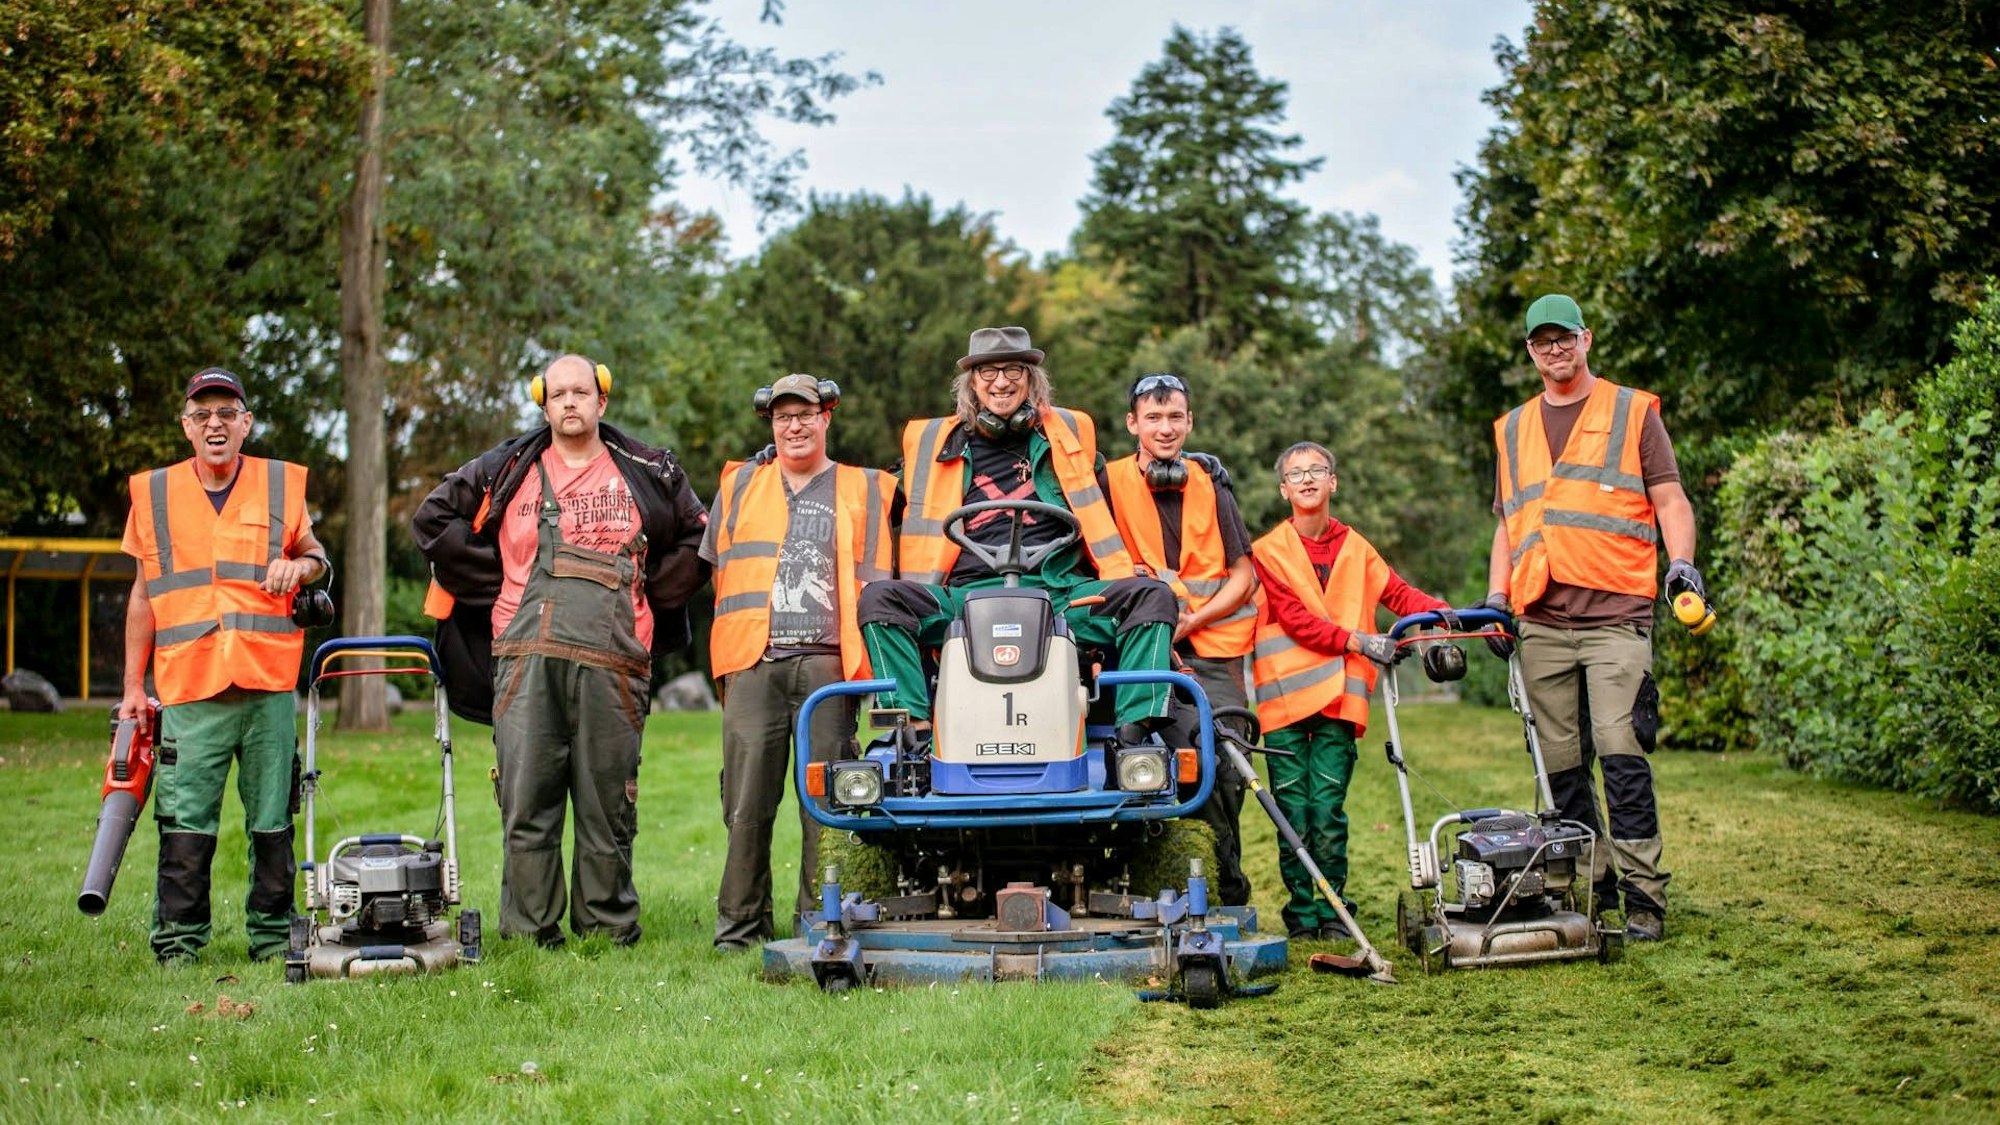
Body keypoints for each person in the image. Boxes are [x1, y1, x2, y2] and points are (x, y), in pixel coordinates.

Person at [412, 354, 708, 948]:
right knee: (527, 801)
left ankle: (606, 927)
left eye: (580, 392)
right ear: (542, 404)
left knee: (607, 807)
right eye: (558, 395)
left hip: (616, 663)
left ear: (602, 400)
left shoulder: (648, 469)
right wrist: (494, 585)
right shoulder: (508, 468)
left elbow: (700, 537)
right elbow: (432, 520)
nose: (569, 403)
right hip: (524, 659)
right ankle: (528, 932)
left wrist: (648, 595)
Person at [1487, 294, 1699, 943]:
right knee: (1559, 765)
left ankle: (1644, 894)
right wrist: (1497, 599)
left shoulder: (1631, 411)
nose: (1554, 349)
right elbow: (1508, 522)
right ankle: (1591, 882)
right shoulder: (1513, 427)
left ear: (1586, 339)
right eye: (1541, 340)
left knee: (1621, 748)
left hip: (1616, 614)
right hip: (1543, 617)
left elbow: (1669, 498)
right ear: (1530, 351)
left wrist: (1682, 564)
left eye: (1564, 337)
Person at [858, 326, 1179, 746]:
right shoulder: (934, 447)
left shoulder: (1069, 438)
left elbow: (1123, 481)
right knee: (880, 600)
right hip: (963, 601)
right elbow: (873, 496)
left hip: (1061, 596)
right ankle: (913, 731)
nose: (1002, 382)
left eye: (1014, 370)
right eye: (988, 372)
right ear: (972, 384)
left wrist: (1180, 459)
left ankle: (1135, 738)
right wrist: (786, 466)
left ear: (1031, 380)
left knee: (1152, 596)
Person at [119, 367, 330, 966]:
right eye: (203, 414)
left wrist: (303, 568)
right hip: (190, 685)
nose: (215, 423)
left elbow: (316, 556)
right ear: (187, 426)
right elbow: (142, 595)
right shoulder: (153, 493)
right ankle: (179, 944)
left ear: (246, 424)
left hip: (266, 684)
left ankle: (271, 938)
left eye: (227, 413)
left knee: (272, 823)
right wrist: (134, 687)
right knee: (185, 823)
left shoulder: (280, 485)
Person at [702, 374, 894, 952]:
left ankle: (820, 923)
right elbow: (718, 571)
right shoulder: (739, 485)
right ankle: (739, 929)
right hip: (754, 662)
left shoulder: (866, 487)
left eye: (805, 414)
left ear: (827, 416)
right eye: (783, 416)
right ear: (771, 424)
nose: (794, 425)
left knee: (829, 804)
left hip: (829, 666)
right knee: (745, 802)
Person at [1249, 441, 1453, 941]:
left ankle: (1335, 910)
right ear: (1283, 489)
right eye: (1296, 474)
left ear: (1333, 482)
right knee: (1292, 810)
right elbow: (1296, 621)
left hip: (1341, 699)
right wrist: (1360, 640)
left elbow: (1399, 594)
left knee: (1328, 810)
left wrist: (1443, 613)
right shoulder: (1267, 551)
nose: (1307, 479)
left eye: (1317, 470)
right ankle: (1302, 913)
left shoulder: (1356, 548)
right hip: (1285, 701)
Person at [1104, 372, 1258, 906]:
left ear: (1190, 422)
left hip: (1210, 651)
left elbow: (1244, 574)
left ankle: (1224, 880)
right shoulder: (1107, 485)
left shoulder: (1210, 483)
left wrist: (1194, 619)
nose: (1165, 428)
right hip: (1136, 649)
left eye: (1175, 418)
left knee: (1227, 757)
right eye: (1153, 417)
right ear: (1132, 424)